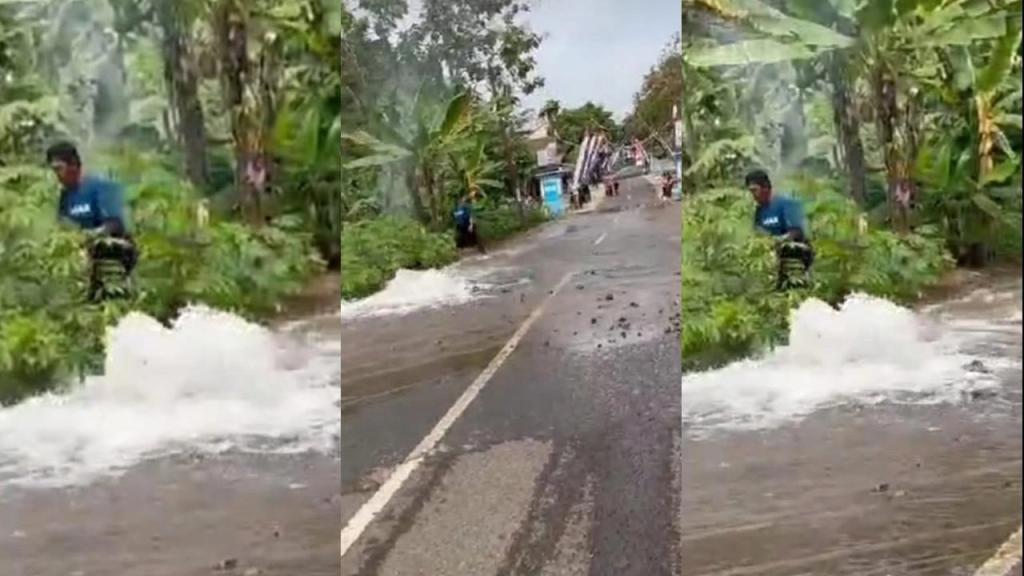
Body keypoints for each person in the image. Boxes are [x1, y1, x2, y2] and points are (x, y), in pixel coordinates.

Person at [48, 141, 138, 301]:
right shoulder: (65, 196)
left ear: (74, 165)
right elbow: (63, 226)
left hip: (114, 255)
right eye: (54, 170)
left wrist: (89, 236)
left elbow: (114, 223)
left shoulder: (101, 186)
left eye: (59, 169)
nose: (57, 175)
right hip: (85, 259)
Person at [745, 169, 813, 290]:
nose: (753, 195)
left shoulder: (786, 203)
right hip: (774, 261)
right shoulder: (759, 211)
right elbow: (758, 234)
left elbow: (796, 231)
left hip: (796, 257)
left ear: (765, 188)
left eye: (755, 190)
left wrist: (776, 241)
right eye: (750, 191)